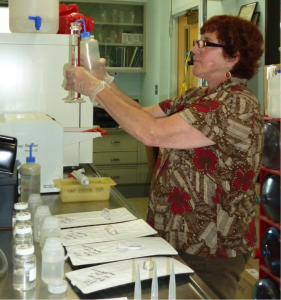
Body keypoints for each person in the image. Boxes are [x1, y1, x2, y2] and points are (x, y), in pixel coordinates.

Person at [65, 15, 264, 300]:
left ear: (233, 56)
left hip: (210, 247)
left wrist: (96, 89)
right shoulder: (198, 95)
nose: (194, 49)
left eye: (205, 43)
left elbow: (152, 133)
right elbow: (142, 115)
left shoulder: (236, 104)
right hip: (174, 235)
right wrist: (103, 80)